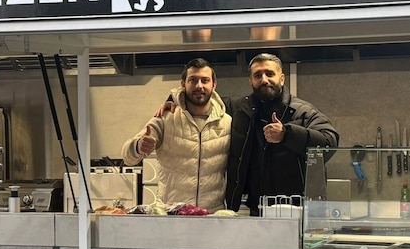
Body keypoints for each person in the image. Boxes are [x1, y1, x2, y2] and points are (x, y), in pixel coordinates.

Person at [155, 53, 339, 216]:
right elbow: (203, 98)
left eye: (270, 74)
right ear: (250, 81)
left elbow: (329, 142)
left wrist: (287, 134)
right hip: (256, 208)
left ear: (282, 78)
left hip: (297, 209)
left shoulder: (302, 111)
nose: (264, 79)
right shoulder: (239, 108)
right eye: (257, 75)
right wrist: (174, 99)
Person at [121, 58, 232, 213]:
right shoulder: (167, 118)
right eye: (193, 80)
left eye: (204, 80)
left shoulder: (227, 122)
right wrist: (138, 146)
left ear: (214, 85)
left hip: (211, 215)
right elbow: (128, 157)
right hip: (171, 214)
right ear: (183, 84)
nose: (199, 86)